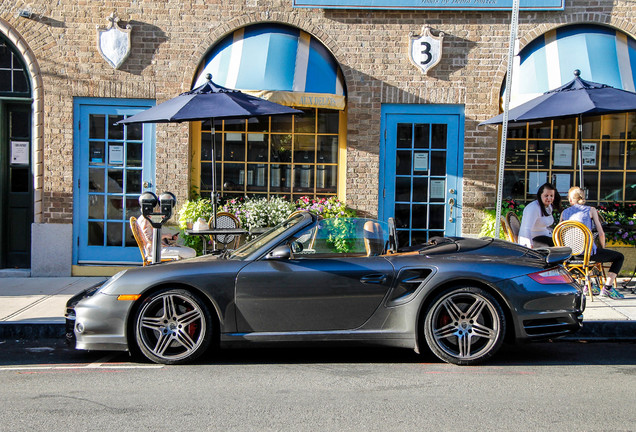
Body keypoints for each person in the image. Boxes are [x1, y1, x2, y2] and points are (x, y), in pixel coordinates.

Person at [560, 187, 625, 299]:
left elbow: (560, 233)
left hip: (569, 255)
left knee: (587, 259)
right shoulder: (590, 210)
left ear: (570, 200)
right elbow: (601, 233)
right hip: (587, 254)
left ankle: (587, 284)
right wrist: (603, 248)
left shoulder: (564, 213)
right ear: (583, 198)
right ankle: (608, 288)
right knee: (619, 257)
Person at [518, 182, 561, 249]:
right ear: (540, 195)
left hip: (545, 237)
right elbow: (527, 228)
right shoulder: (533, 208)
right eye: (546, 196)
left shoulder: (549, 206)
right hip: (534, 240)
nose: (549, 198)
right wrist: (529, 245)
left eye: (551, 196)